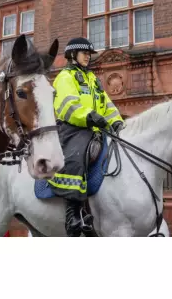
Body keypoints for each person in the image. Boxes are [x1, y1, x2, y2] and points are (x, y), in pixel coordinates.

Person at [50, 37, 124, 236]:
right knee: (77, 156)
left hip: (94, 127)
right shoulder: (65, 77)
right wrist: (88, 116)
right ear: (72, 55)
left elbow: (105, 103)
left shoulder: (92, 79)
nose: (88, 57)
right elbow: (67, 105)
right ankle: (72, 214)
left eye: (89, 54)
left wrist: (116, 120)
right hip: (73, 128)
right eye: (84, 53)